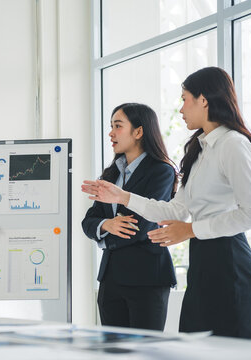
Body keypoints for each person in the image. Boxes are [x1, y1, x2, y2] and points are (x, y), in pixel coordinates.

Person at [82, 67, 251, 340]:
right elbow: (175, 209)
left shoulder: (234, 144)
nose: (181, 109)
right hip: (202, 259)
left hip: (231, 260)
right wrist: (122, 197)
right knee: (196, 349)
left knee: (232, 350)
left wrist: (190, 230)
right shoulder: (200, 150)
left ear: (203, 100)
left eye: (184, 98)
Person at [81, 103, 177, 331]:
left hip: (146, 277)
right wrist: (108, 224)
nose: (111, 133)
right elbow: (89, 221)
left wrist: (105, 234)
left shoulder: (161, 172)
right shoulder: (111, 173)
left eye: (117, 126)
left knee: (145, 352)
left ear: (138, 132)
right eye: (111, 126)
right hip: (110, 278)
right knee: (112, 353)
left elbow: (140, 226)